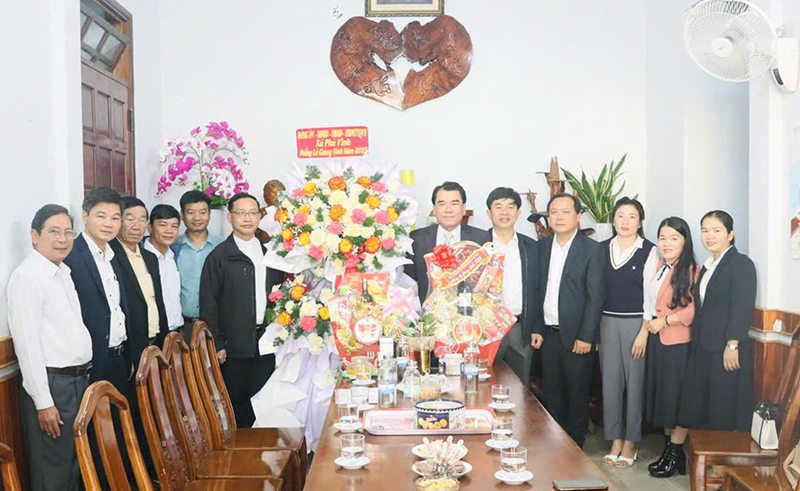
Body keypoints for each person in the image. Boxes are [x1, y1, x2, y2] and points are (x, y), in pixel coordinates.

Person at [8, 205, 92, 491]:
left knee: (74, 465)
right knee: (52, 470)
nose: (63, 239)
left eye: (68, 232)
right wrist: (43, 402)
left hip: (77, 382)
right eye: (54, 232)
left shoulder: (62, 272)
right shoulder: (28, 278)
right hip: (54, 386)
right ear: (35, 236)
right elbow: (27, 345)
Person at [199, 193, 284, 428]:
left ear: (259, 216)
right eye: (241, 213)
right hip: (234, 348)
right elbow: (209, 303)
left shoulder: (271, 254)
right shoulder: (219, 257)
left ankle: (264, 449)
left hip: (266, 344)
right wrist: (217, 344)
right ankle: (241, 450)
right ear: (230, 217)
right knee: (237, 407)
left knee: (266, 404)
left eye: (252, 213)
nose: (247, 219)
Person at [531, 193, 605, 447]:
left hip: (577, 337)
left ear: (578, 216)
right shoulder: (541, 247)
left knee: (577, 394)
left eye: (565, 212)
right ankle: (555, 447)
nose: (559, 217)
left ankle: (575, 448)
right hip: (549, 335)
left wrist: (587, 336)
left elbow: (596, 297)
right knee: (552, 394)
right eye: (554, 212)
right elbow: (537, 290)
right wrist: (537, 328)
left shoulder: (592, 249)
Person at [679, 211, 757, 432]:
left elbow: (742, 307)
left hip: (725, 347)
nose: (709, 236)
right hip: (703, 346)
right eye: (705, 230)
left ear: (730, 234)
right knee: (703, 406)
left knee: (723, 406)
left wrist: (733, 344)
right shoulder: (707, 266)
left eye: (716, 230)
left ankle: (722, 454)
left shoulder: (741, 264)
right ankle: (706, 452)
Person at [598, 198, 658, 468]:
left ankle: (631, 441)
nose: (625, 221)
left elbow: (650, 294)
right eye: (620, 215)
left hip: (637, 323)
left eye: (632, 216)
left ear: (640, 222)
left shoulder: (649, 251)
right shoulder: (601, 249)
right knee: (610, 383)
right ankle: (615, 439)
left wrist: (644, 332)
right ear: (613, 220)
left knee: (635, 384)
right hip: (607, 322)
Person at [644, 217, 698, 478]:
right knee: (664, 399)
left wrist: (665, 321)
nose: (667, 243)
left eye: (674, 238)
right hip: (658, 341)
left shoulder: (692, 270)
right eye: (662, 238)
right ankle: (671, 453)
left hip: (678, 343)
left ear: (685, 242)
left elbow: (693, 310)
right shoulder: (659, 266)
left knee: (676, 399)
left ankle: (675, 452)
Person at [63, 187, 129, 390]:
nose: (108, 223)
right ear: (85, 216)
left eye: (115, 218)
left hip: (119, 359)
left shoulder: (114, 255)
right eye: (101, 216)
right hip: (91, 363)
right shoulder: (70, 255)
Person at [485, 187, 541, 385]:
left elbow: (538, 289)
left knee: (520, 387)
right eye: (498, 207)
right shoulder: (479, 244)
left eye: (510, 207)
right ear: (489, 212)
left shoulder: (531, 246)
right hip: (487, 328)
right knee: (485, 384)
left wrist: (537, 327)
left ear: (518, 213)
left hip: (520, 329)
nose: (504, 212)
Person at [405, 181, 490, 300]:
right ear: (434, 209)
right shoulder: (417, 239)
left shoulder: (481, 238)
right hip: (427, 309)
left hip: (469, 310)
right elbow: (408, 282)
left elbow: (487, 281)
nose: (448, 210)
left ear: (463, 208)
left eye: (454, 204)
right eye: (442, 204)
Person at [109, 197, 168, 362]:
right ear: (118, 221)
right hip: (129, 347)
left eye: (142, 220)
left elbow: (158, 301)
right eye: (130, 219)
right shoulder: (110, 256)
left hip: (155, 343)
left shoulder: (150, 258)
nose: (136, 226)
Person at [175, 190, 224, 340]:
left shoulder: (222, 247)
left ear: (209, 214)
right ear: (182, 215)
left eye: (202, 212)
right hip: (182, 328)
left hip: (216, 327)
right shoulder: (173, 247)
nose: (197, 218)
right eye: (191, 212)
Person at [143, 204, 183, 333]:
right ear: (150, 228)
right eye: (162, 225)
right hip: (153, 332)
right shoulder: (140, 256)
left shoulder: (175, 255)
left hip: (176, 330)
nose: (169, 231)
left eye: (174, 226)